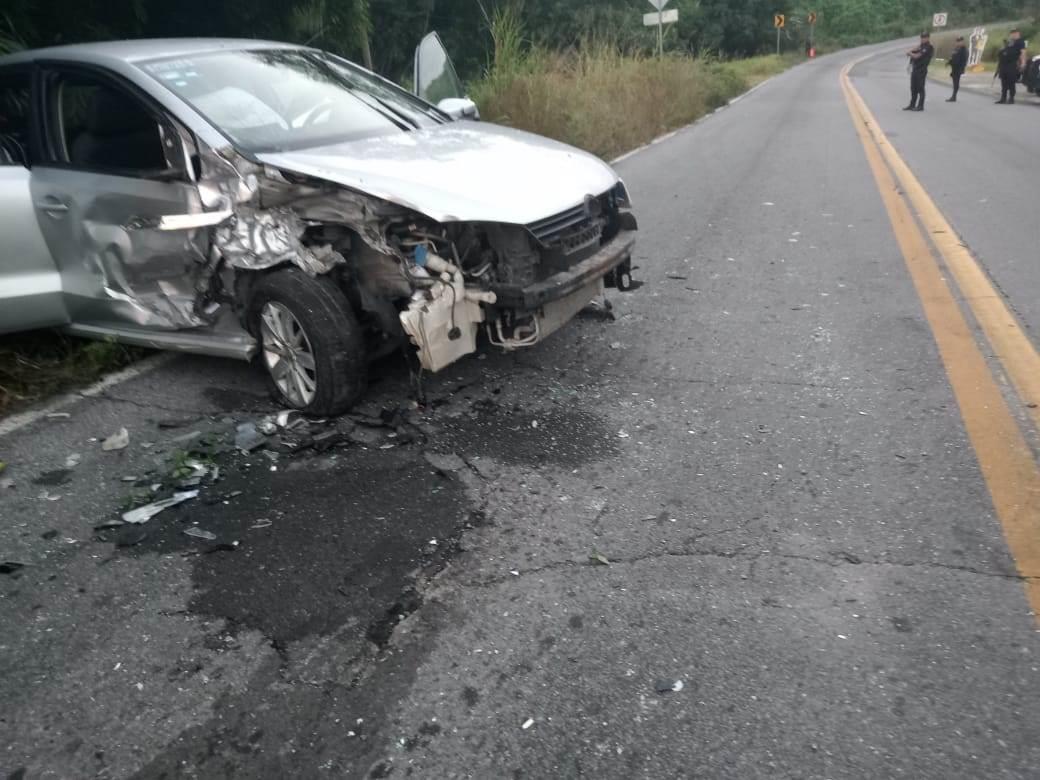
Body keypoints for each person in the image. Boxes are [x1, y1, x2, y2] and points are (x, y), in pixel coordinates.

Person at [905, 32, 934, 111]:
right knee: (913, 88)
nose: (923, 39)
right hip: (915, 69)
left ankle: (920, 106)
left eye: (924, 37)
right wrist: (912, 51)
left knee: (920, 88)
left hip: (922, 70)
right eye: (922, 38)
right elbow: (913, 50)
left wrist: (910, 53)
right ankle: (912, 105)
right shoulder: (921, 46)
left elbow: (917, 56)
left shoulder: (929, 47)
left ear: (928, 38)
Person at [996, 37, 1021, 104]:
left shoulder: (1015, 50)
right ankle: (1003, 98)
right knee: (1004, 85)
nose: (1006, 43)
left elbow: (1012, 57)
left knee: (1011, 84)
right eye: (1006, 42)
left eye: (1008, 42)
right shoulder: (1003, 49)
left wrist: (1005, 50)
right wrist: (1002, 49)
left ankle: (1011, 98)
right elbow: (999, 57)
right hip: (1003, 69)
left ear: (1012, 43)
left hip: (1011, 69)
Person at [947, 36, 969, 101]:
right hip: (954, 68)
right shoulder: (956, 49)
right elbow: (953, 57)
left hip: (959, 68)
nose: (958, 43)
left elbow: (963, 60)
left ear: (962, 41)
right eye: (957, 41)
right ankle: (953, 96)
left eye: (960, 41)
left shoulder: (964, 49)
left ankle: (954, 96)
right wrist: (949, 62)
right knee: (955, 82)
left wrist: (955, 63)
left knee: (956, 82)